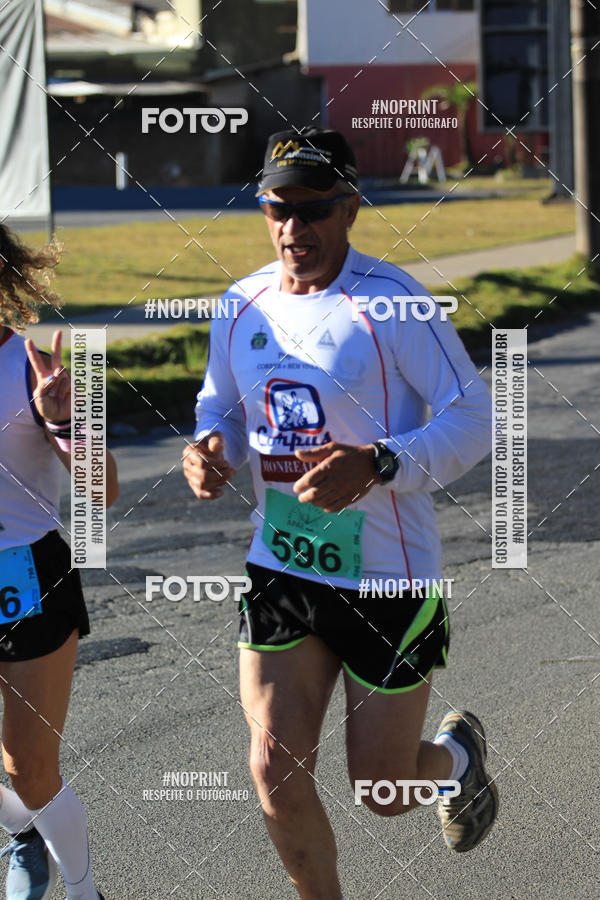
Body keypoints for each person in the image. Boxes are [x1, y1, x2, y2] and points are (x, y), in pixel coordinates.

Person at [184, 128, 498, 899]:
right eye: (276, 209)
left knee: (383, 792)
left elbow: (477, 417)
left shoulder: (390, 302)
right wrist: (209, 445)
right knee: (272, 767)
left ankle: (456, 761)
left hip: (387, 576)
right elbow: (219, 401)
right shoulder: (240, 303)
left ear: (352, 208)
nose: (294, 229)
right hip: (283, 564)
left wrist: (381, 463)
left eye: (314, 209)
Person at [0, 224, 117, 900]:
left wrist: (70, 422)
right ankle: (24, 838)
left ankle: (83, 890)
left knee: (30, 767)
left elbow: (103, 490)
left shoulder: (35, 368)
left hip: (28, 575)